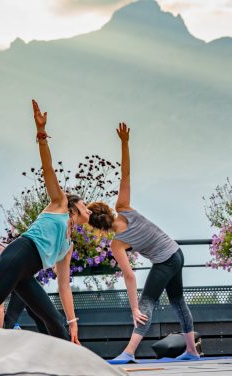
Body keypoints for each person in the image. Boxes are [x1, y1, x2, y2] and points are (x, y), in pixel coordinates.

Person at [0, 99, 90, 344]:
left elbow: (64, 286)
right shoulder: (59, 203)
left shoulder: (68, 244)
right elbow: (48, 168)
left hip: (24, 271)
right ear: (73, 206)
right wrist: (41, 134)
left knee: (55, 320)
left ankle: (64, 365)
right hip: (15, 257)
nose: (90, 211)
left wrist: (73, 323)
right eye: (85, 206)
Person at [87, 123, 199, 362]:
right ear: (107, 210)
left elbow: (129, 276)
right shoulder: (124, 208)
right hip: (176, 254)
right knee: (178, 301)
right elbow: (126, 175)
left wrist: (134, 308)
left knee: (147, 303)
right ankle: (192, 351)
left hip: (166, 261)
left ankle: (129, 352)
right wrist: (125, 143)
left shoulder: (117, 244)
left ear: (98, 228)